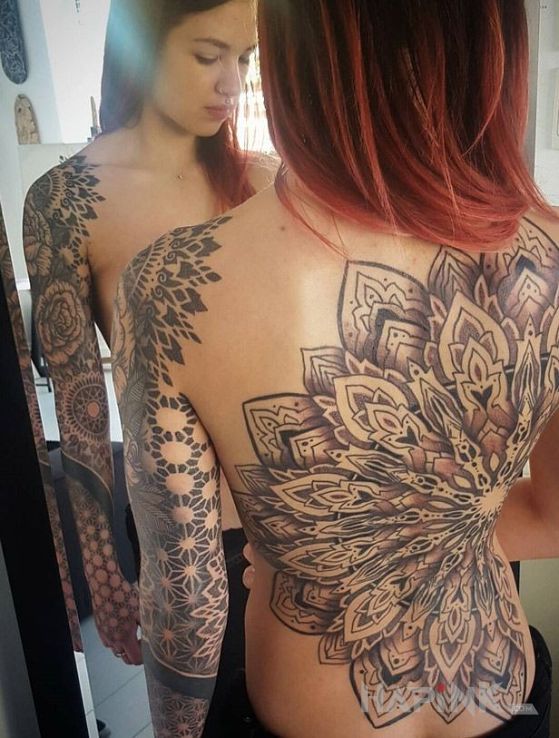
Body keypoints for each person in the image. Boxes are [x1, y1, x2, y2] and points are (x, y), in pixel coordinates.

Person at [112, 1, 559, 737]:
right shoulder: (549, 253)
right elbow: (551, 517)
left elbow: (186, 607)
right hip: (496, 696)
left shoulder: (172, 286)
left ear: (294, 45)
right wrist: (438, 538)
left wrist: (329, 546)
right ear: (493, 41)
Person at [23, 0, 274, 730]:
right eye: (206, 54)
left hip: (296, 528)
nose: (230, 82)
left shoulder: (266, 182)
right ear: (142, 45)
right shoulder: (67, 202)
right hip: (186, 539)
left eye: (244, 59)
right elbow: (81, 411)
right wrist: (101, 572)